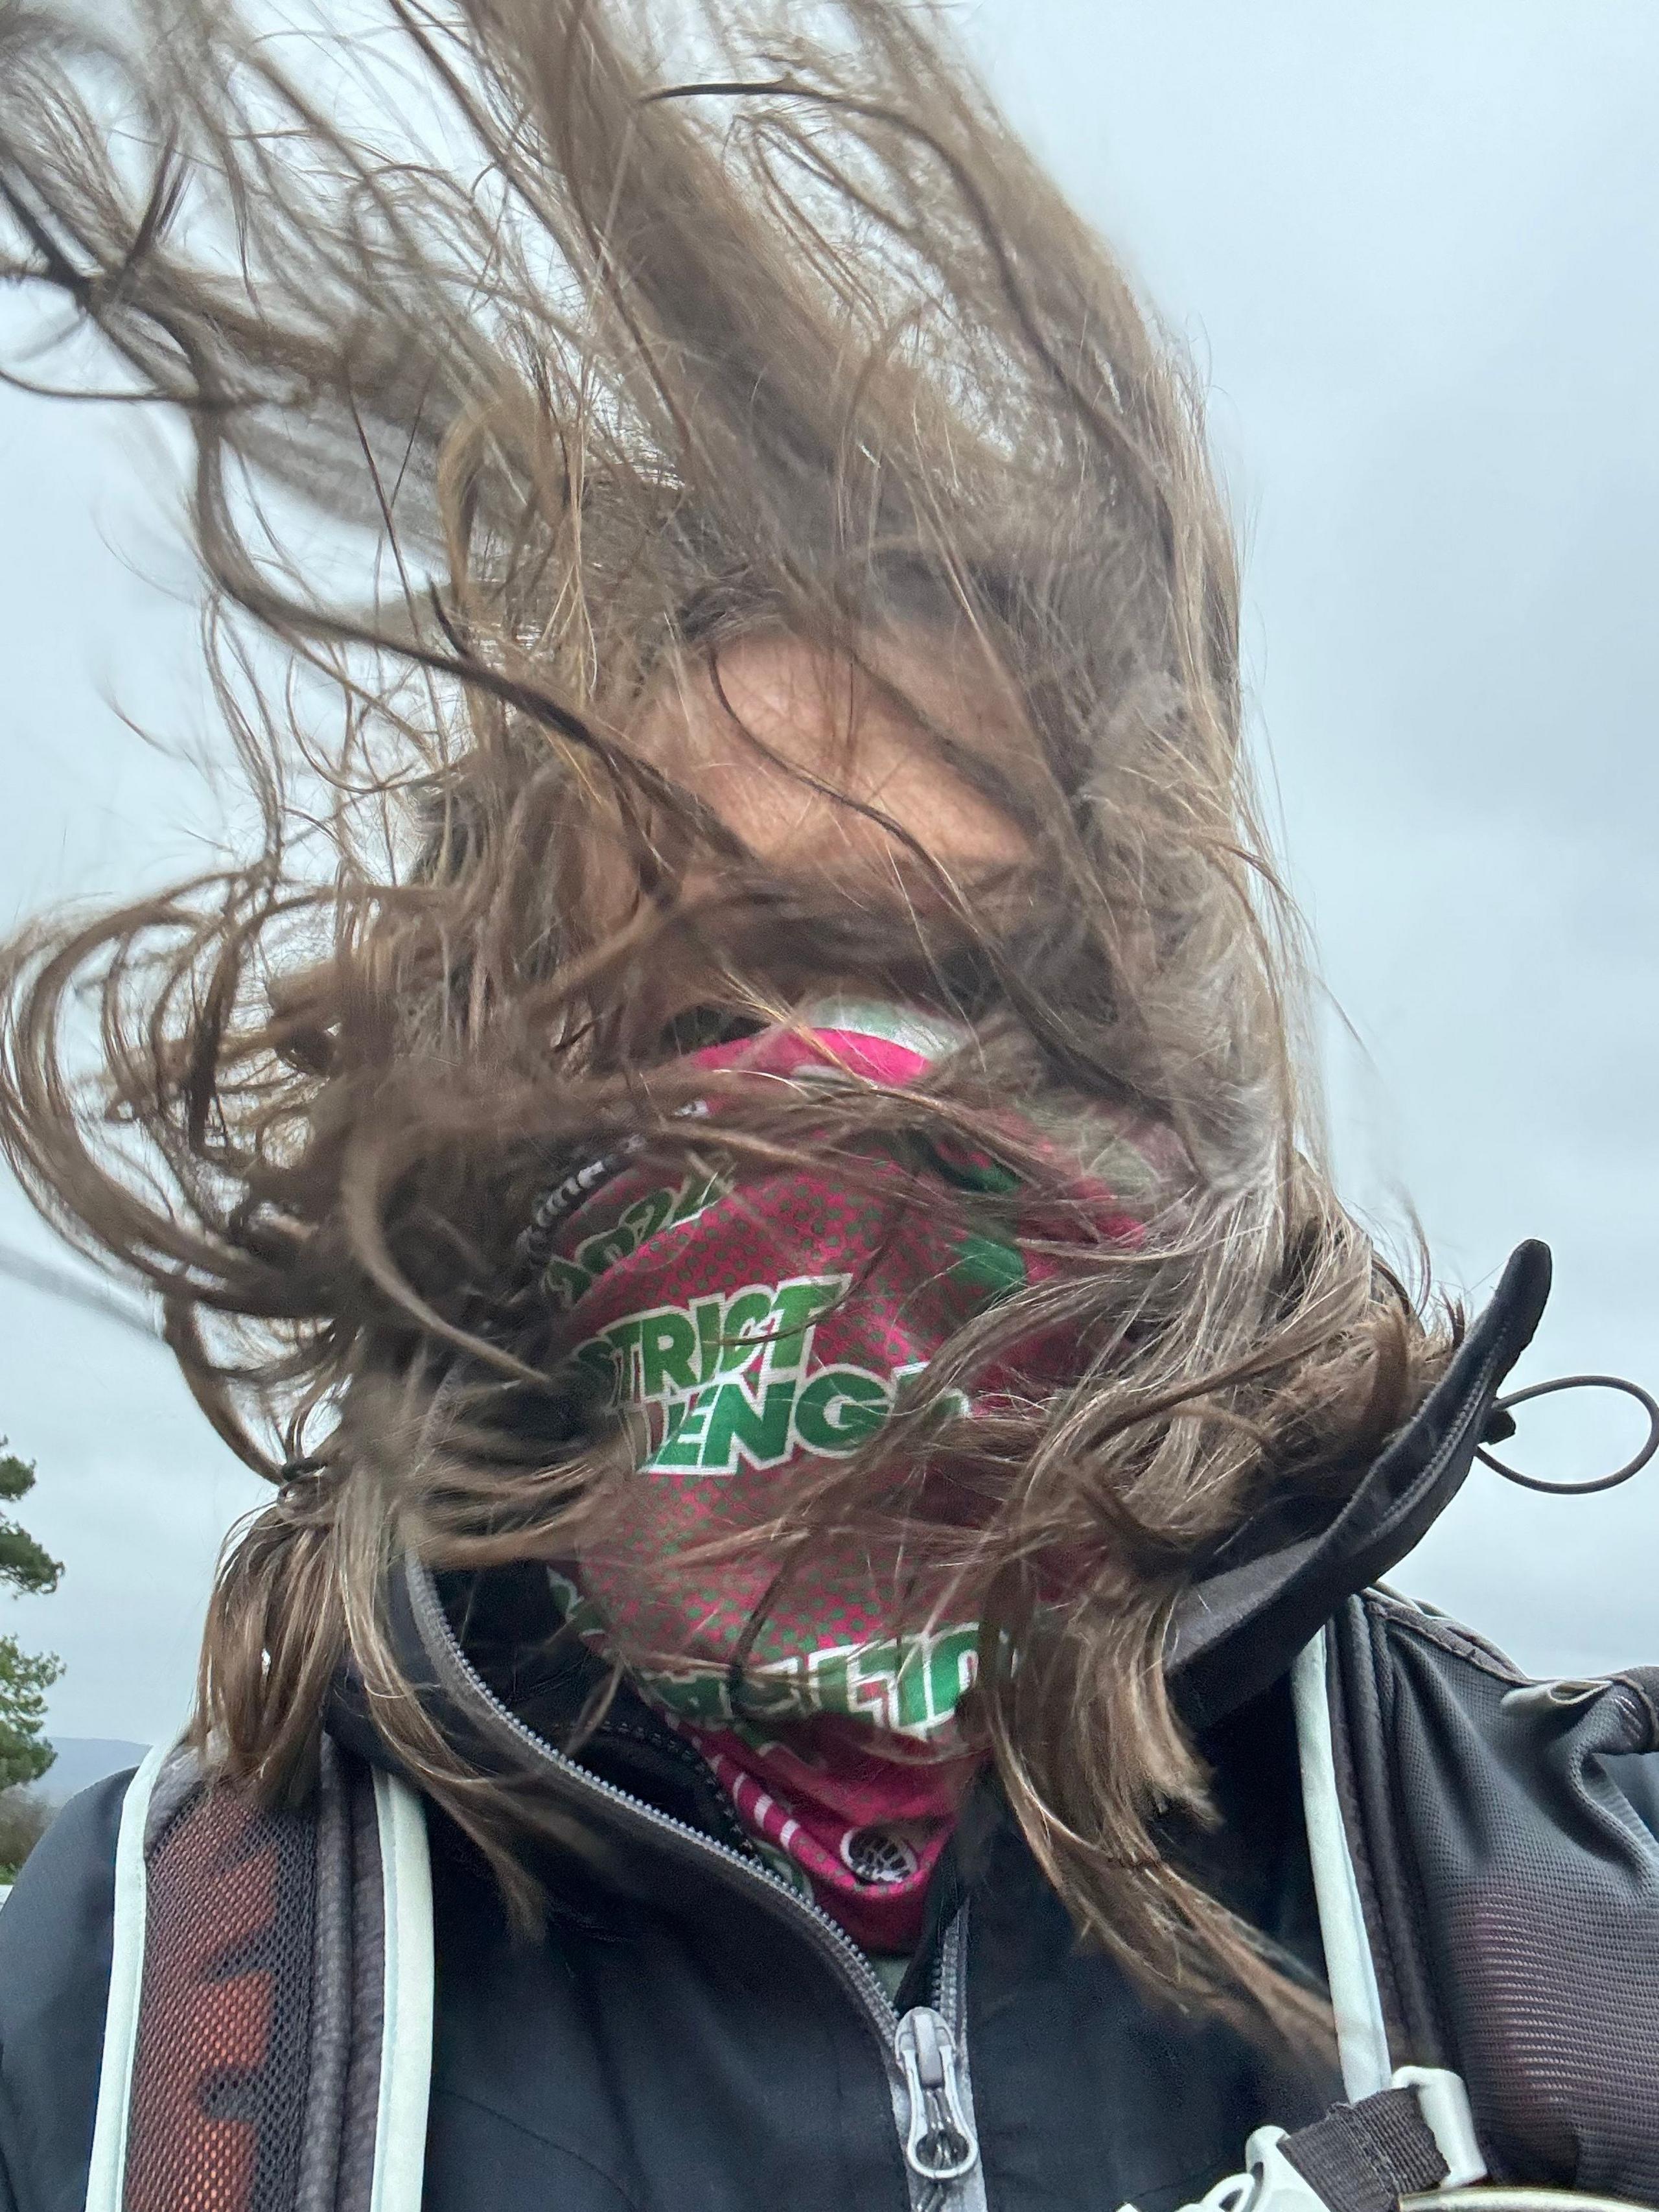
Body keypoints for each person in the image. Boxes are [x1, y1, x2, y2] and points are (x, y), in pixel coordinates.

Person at [1, 6, 1656, 2211]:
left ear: (1176, 1080)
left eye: (971, 984)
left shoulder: (1571, 1905)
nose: (831, 1103)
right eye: (704, 1001)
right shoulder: (141, 2008)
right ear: (499, 1114)